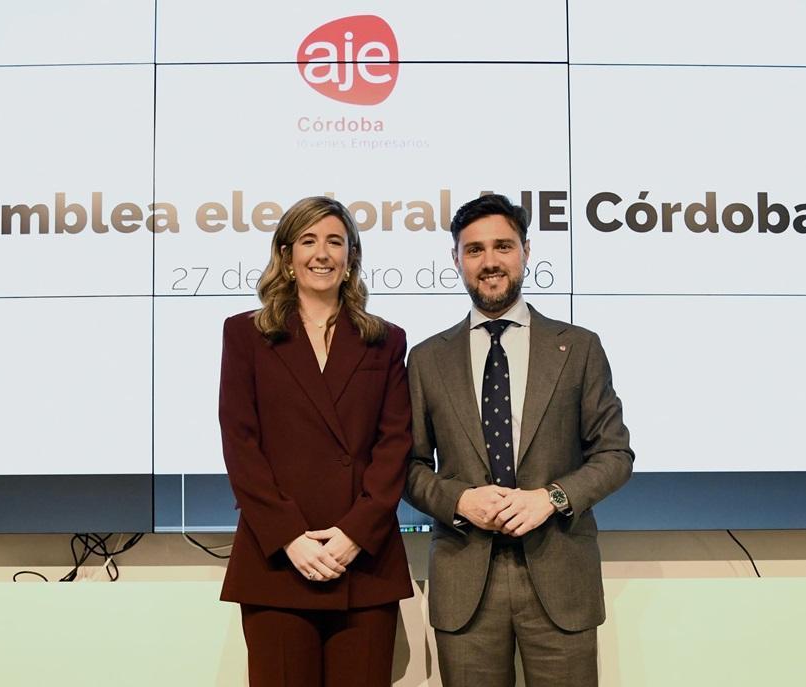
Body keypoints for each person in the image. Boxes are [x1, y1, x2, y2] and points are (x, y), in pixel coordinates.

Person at [404, 193, 634, 685]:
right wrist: (460, 498)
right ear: (456, 260)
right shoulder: (426, 360)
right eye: (474, 250)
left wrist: (551, 498)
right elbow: (408, 467)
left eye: (503, 246)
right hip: (466, 580)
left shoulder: (578, 347)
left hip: (560, 573)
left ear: (526, 251)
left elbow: (614, 454)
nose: (490, 262)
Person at [218, 196, 413, 686]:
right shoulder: (246, 335)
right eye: (307, 240)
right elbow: (240, 443)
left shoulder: (385, 339)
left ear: (351, 259)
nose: (321, 253)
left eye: (334, 241)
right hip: (277, 561)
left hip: (364, 561)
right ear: (286, 256)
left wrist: (353, 535)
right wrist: (288, 537)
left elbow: (394, 445)